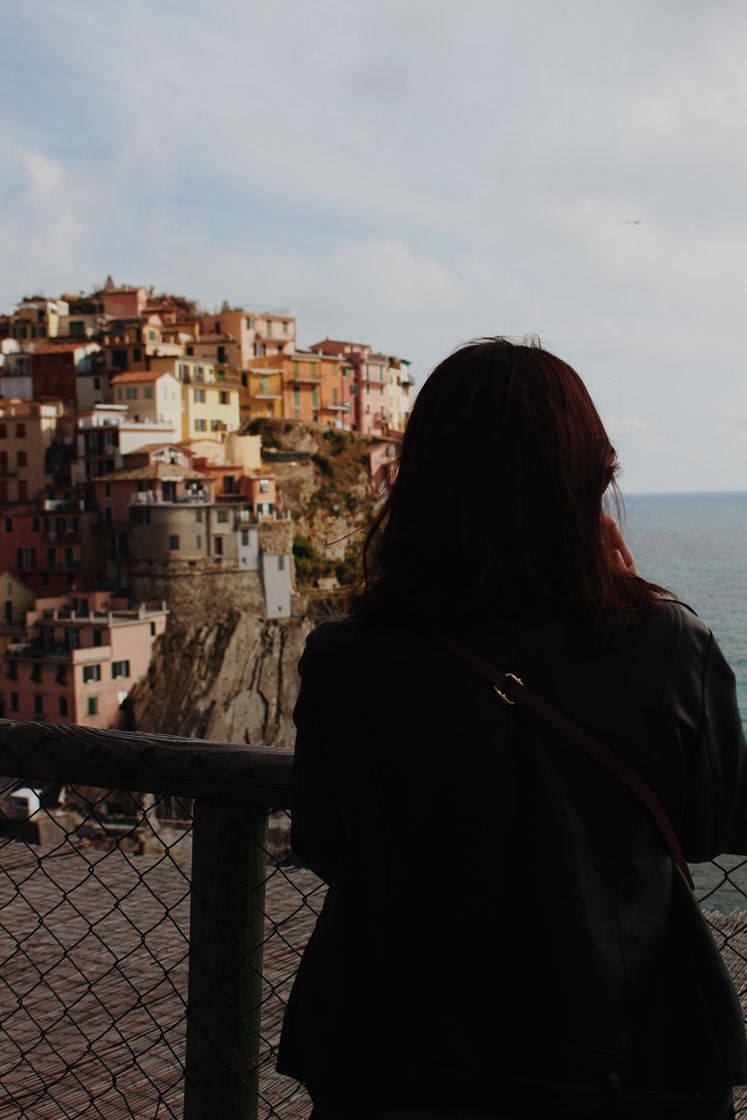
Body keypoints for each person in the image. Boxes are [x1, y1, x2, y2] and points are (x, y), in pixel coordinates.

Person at [277, 337, 747, 1119]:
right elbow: (709, 821)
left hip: (399, 1063)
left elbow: (326, 840)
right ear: (585, 480)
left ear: (424, 480)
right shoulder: (668, 647)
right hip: (617, 1058)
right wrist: (628, 596)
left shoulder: (347, 657)